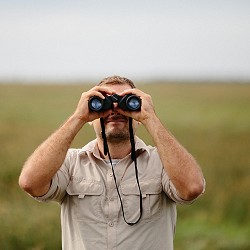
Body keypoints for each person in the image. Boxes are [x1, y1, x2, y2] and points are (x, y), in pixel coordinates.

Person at [19, 75, 205, 250]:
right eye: (104, 102)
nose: (115, 110)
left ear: (138, 117)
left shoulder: (162, 162)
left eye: (126, 103)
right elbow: (30, 183)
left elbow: (192, 188)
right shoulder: (71, 163)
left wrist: (151, 118)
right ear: (91, 117)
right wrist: (78, 118)